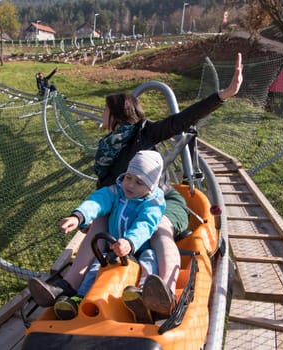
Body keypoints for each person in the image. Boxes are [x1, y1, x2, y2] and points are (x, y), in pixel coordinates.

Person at [29, 53, 244, 322]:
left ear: (117, 114)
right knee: (100, 222)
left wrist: (222, 95)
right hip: (125, 202)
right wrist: (82, 215)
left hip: (159, 200)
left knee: (159, 228)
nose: (102, 114)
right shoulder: (108, 148)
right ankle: (68, 285)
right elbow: (105, 193)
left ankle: (162, 287)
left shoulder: (145, 132)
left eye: (105, 110)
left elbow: (181, 120)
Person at [48, 150, 166, 321]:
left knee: (150, 258)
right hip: (114, 249)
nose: (130, 185)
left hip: (137, 250)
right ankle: (81, 298)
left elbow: (146, 225)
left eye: (139, 182)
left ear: (151, 186)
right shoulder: (116, 192)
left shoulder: (153, 203)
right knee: (97, 264)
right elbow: (97, 201)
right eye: (128, 177)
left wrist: (130, 241)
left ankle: (142, 295)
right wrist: (79, 216)